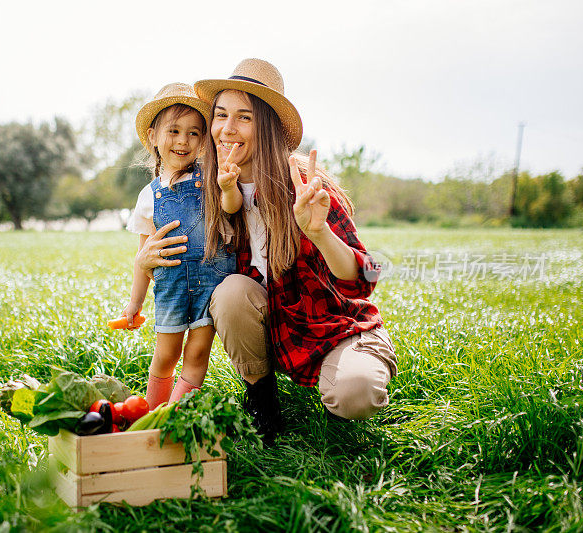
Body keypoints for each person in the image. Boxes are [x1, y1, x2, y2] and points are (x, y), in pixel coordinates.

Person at [135, 59, 397, 442]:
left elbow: (364, 276)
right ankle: (261, 397)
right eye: (220, 115)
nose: (227, 129)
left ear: (267, 127)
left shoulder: (303, 185)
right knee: (229, 294)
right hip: (273, 330)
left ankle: (359, 362)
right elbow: (172, 243)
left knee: (355, 395)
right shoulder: (209, 190)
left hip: (334, 328)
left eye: (244, 117)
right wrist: (144, 262)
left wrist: (320, 232)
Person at [122, 83, 236, 409]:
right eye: (174, 131)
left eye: (194, 133)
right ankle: (152, 416)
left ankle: (175, 420)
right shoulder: (148, 196)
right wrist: (134, 305)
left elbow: (231, 206)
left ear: (203, 141)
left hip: (211, 282)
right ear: (154, 136)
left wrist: (228, 187)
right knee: (166, 355)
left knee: (197, 354)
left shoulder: (213, 177)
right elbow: (144, 258)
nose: (183, 141)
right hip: (171, 287)